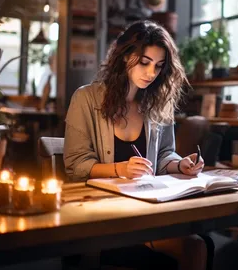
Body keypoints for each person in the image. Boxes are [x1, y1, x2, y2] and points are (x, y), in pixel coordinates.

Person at [64, 20, 214, 270]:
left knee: (201, 244)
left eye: (158, 66)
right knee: (196, 247)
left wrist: (180, 165)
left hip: (149, 212)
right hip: (104, 217)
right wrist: (119, 169)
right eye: (144, 62)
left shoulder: (157, 103)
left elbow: (164, 154)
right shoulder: (85, 99)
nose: (151, 73)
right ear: (124, 57)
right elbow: (75, 165)